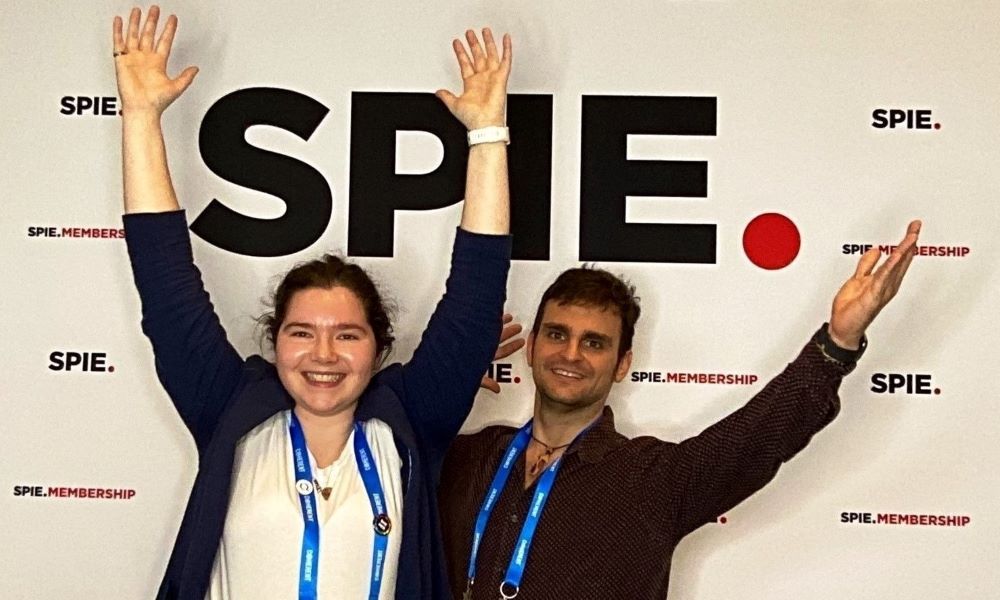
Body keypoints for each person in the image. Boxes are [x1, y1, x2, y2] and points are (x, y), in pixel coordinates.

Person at [113, 5, 513, 599]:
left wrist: (486, 134)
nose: (323, 353)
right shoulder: (229, 408)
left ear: (378, 348)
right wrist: (140, 116)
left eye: (347, 334)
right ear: (275, 341)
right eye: (301, 332)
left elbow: (475, 295)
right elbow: (165, 282)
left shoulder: (412, 420)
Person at [440, 223, 921, 599]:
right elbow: (378, 432)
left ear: (623, 363)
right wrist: (452, 377)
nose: (570, 355)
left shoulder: (653, 480)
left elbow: (763, 433)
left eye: (594, 343)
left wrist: (836, 343)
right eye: (557, 334)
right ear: (532, 346)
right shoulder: (466, 458)